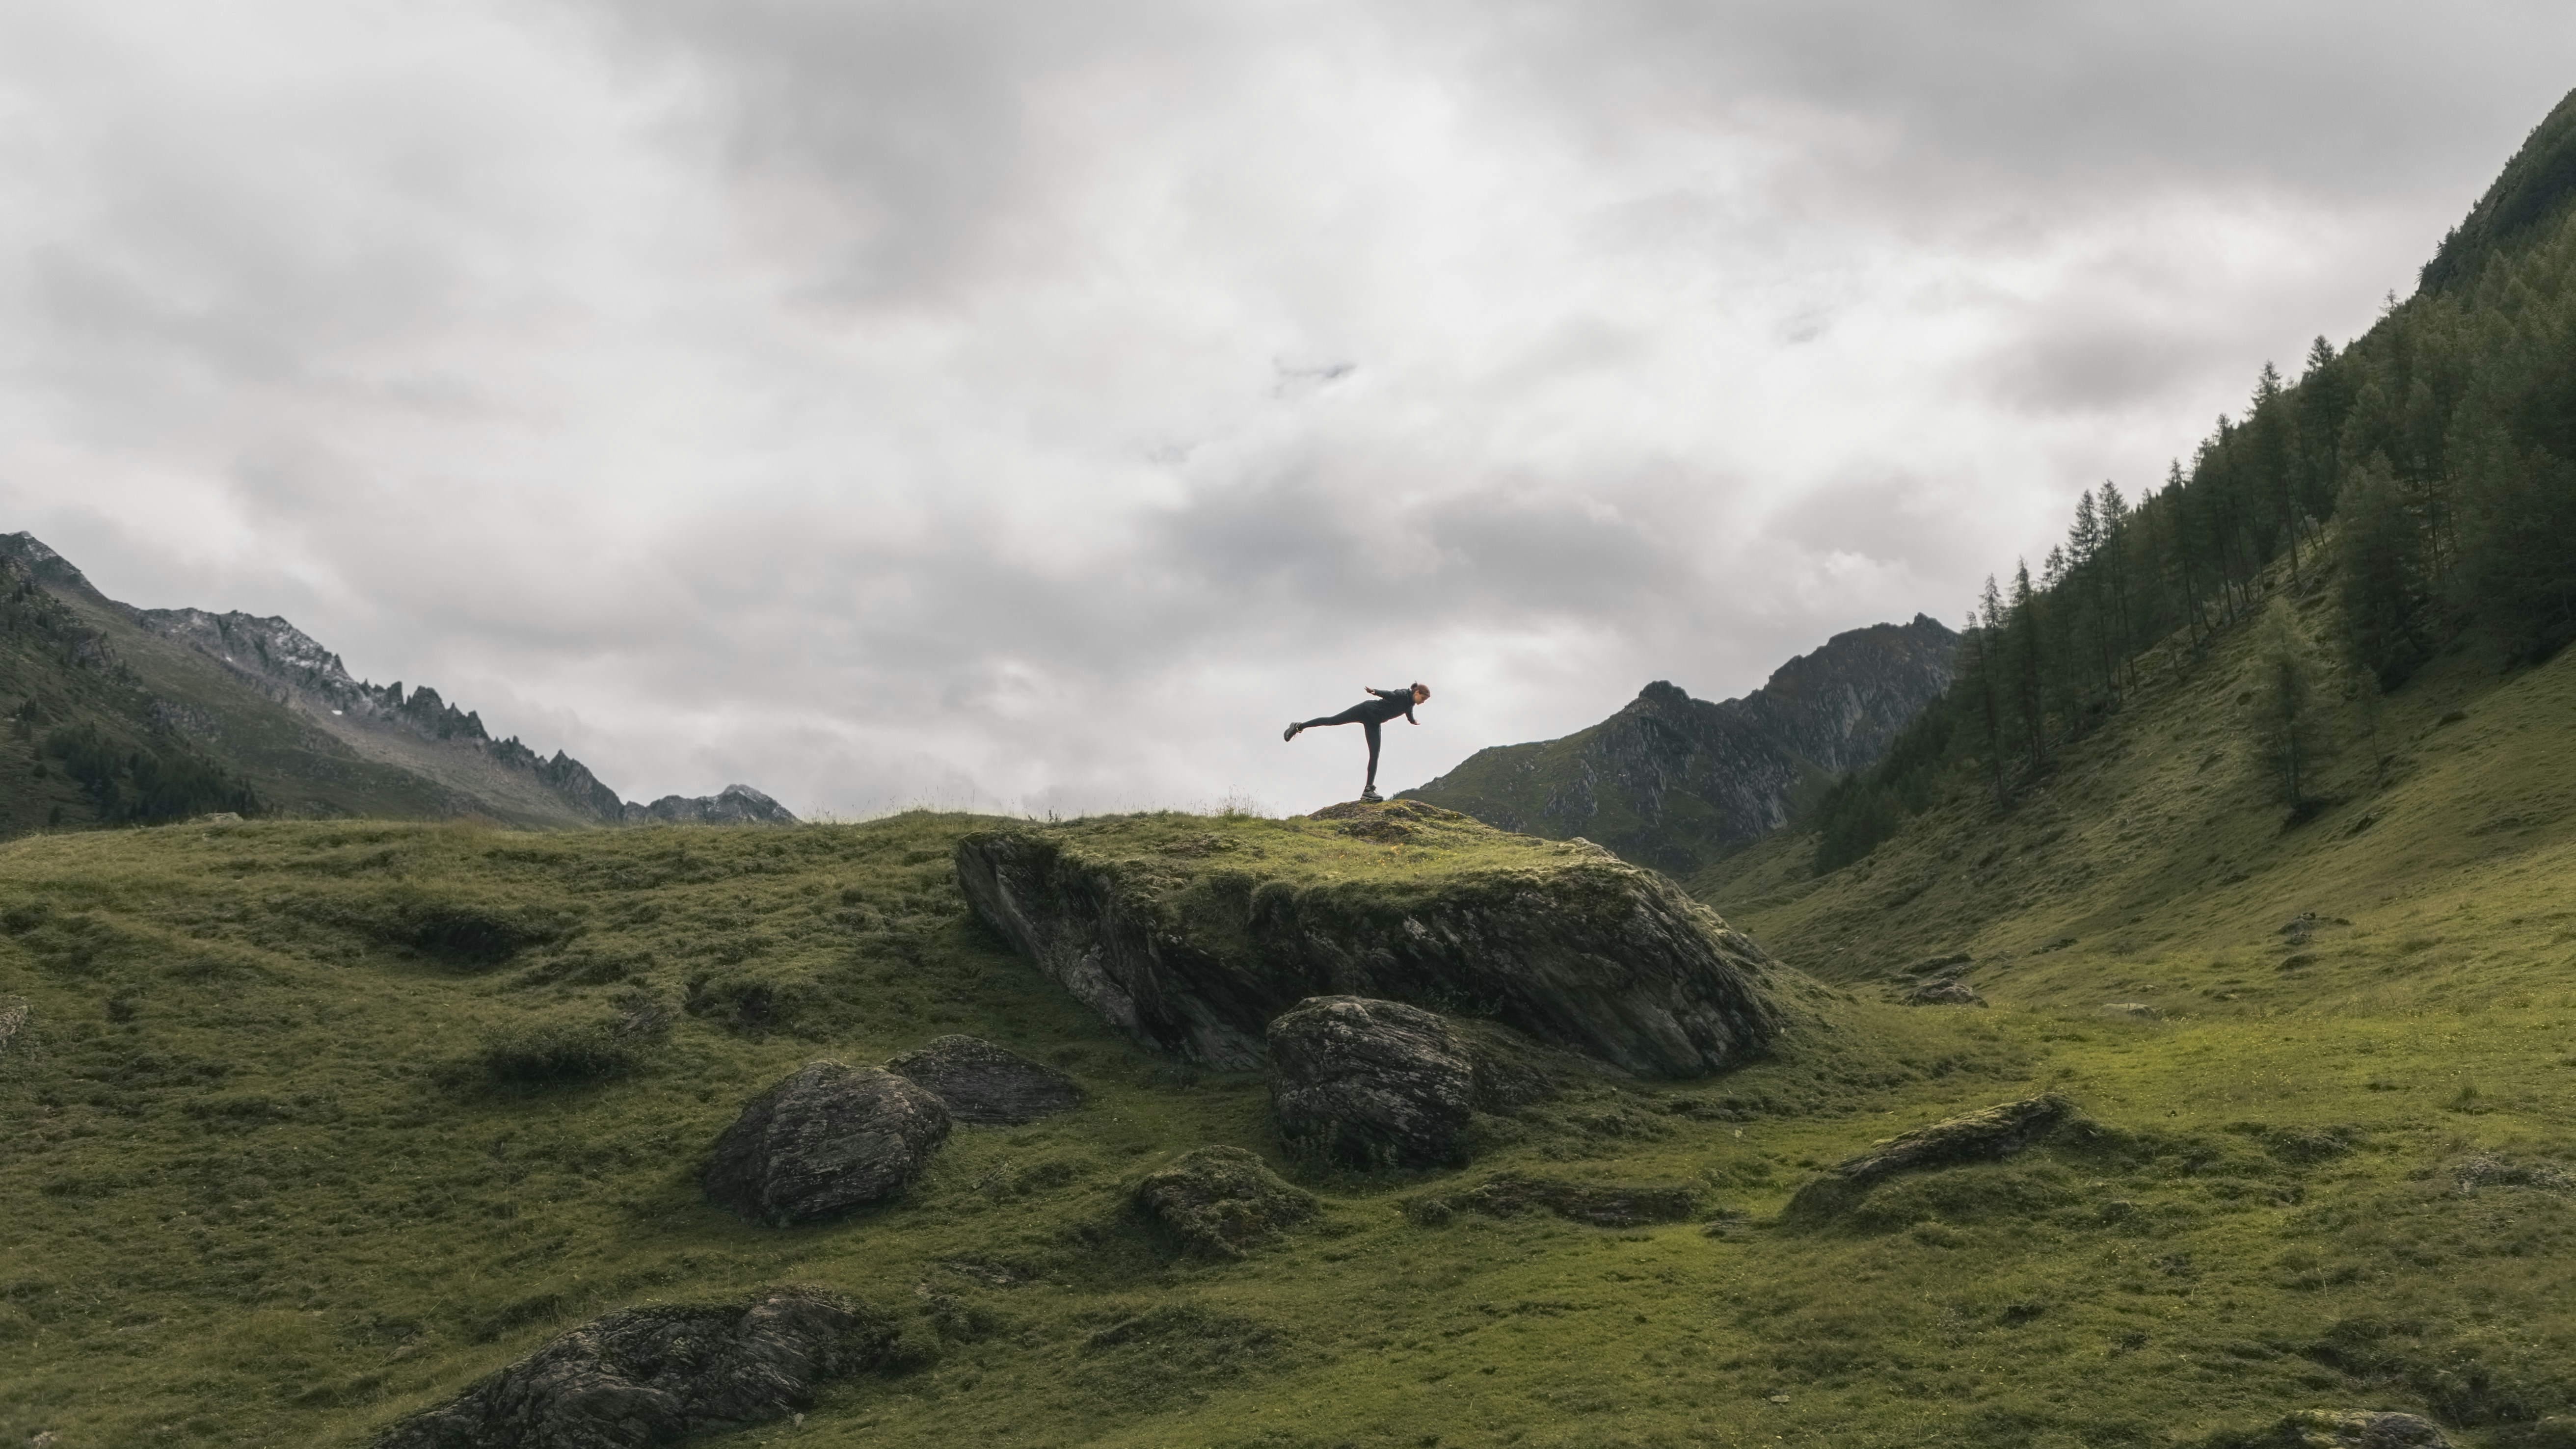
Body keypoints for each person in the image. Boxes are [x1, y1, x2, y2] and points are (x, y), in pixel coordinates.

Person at [1285, 683, 1429, 802]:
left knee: (1375, 755)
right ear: (1417, 692)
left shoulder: (1410, 704)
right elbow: (1390, 694)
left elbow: (1408, 712)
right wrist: (1375, 692)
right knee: (1332, 721)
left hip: (1374, 722)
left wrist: (1412, 721)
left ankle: (1368, 791)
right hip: (1365, 710)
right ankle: (1298, 726)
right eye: (1423, 699)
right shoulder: (1403, 694)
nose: (1423, 702)